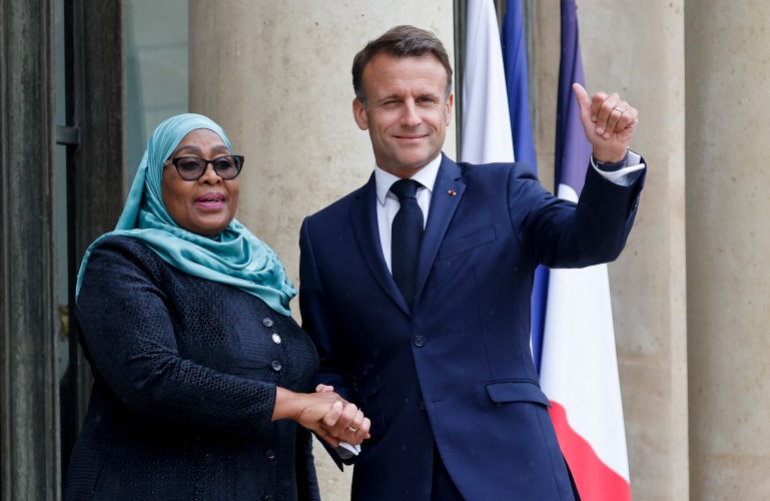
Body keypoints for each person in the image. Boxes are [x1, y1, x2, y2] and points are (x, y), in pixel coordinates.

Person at [298, 25, 646, 501]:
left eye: (425, 99)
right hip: (394, 477)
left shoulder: (504, 190)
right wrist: (333, 405)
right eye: (390, 101)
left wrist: (608, 160)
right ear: (362, 112)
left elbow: (586, 242)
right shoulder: (323, 233)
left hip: (514, 472)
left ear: (448, 107)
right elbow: (332, 360)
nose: (411, 116)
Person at [64, 113, 370, 501]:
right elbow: (153, 378)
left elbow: (278, 385)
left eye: (224, 163)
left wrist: (329, 412)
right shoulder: (122, 262)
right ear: (156, 180)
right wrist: (296, 404)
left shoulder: (259, 273)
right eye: (190, 164)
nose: (212, 176)